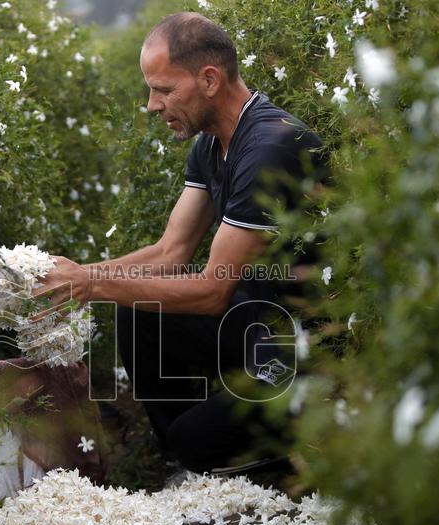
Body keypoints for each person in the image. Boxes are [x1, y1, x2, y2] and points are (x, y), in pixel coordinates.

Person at [37, 12, 325, 477]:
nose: (152, 105)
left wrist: (88, 285)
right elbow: (171, 252)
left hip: (304, 350)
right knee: (140, 303)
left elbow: (213, 291)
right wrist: (74, 273)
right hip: (253, 325)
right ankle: (198, 454)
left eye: (164, 90)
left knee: (197, 439)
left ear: (209, 79)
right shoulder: (210, 144)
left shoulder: (271, 147)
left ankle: (292, 449)